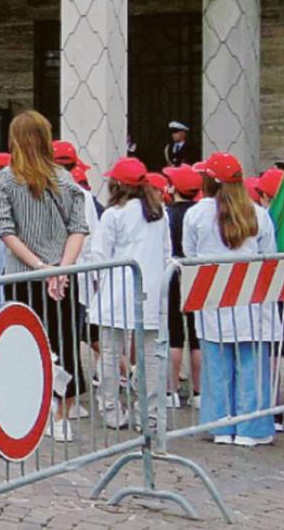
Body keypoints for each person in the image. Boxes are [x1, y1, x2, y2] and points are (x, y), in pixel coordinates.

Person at [0, 110, 91, 443]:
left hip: (24, 275)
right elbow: (78, 228)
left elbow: (5, 230)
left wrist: (39, 267)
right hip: (62, 274)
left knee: (26, 343)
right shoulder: (66, 180)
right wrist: (61, 268)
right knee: (63, 341)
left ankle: (32, 409)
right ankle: (62, 414)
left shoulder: (5, 179)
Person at [184, 151, 279, 446]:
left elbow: (189, 253)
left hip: (213, 298)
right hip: (252, 301)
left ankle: (220, 425)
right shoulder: (258, 215)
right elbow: (270, 256)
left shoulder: (196, 214)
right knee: (252, 366)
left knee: (217, 364)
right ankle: (251, 428)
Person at [92, 158, 171, 430]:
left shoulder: (113, 214)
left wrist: (97, 284)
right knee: (150, 357)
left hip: (115, 292)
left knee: (111, 355)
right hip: (149, 291)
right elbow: (166, 253)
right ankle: (149, 416)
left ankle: (111, 410)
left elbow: (100, 255)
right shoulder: (159, 213)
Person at [164, 164, 204, 409]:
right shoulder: (201, 213)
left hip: (173, 273)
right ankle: (199, 392)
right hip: (197, 273)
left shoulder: (167, 214)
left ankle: (171, 392)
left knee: (174, 334)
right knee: (197, 336)